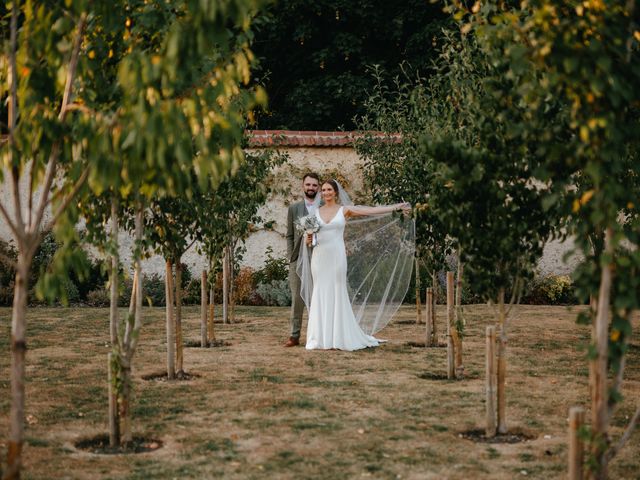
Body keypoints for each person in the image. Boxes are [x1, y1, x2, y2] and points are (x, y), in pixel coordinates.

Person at [303, 179, 411, 351]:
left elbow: (369, 210)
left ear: (335, 192)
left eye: (329, 189)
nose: (326, 192)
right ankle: (319, 338)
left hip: (337, 257)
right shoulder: (314, 213)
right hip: (319, 258)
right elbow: (309, 241)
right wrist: (308, 239)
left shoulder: (344, 210)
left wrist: (395, 207)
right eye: (323, 190)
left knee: (337, 291)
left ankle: (339, 336)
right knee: (320, 291)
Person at [284, 172, 320, 347]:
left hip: (319, 258)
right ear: (303, 186)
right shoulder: (294, 208)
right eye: (308, 185)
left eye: (314, 185)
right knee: (297, 298)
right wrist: (291, 257)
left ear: (318, 187)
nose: (311, 188)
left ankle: (317, 335)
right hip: (298, 259)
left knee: (317, 298)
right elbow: (289, 236)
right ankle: (294, 335)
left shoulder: (323, 207)